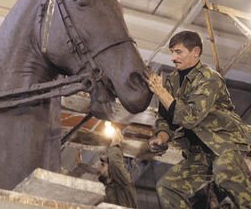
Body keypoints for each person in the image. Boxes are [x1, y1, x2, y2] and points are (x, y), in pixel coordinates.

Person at [144, 30, 251, 209]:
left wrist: (161, 92)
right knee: (168, 187)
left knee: (224, 172)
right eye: (172, 52)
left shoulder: (209, 78)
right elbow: (165, 118)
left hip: (224, 144)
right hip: (199, 153)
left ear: (196, 52)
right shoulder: (171, 81)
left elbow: (192, 117)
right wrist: (162, 136)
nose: (172, 58)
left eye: (178, 52)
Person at [98, 126, 137, 208]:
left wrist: (116, 142)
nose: (99, 169)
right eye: (102, 165)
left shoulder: (124, 184)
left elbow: (115, 162)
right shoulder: (109, 190)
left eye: (103, 165)